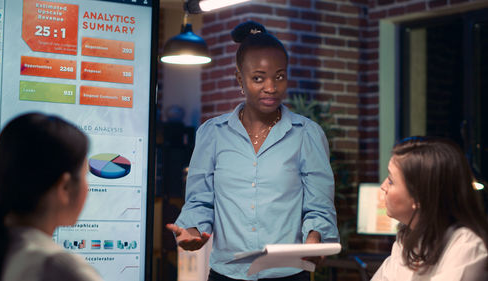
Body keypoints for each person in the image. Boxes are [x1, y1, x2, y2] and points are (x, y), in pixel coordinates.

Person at [166, 21, 339, 280]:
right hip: (226, 274)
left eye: (279, 76)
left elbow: (319, 207)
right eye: (258, 78)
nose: (271, 87)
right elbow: (200, 200)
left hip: (287, 274)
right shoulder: (212, 133)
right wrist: (191, 229)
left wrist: (315, 238)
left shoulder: (307, 134)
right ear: (240, 79)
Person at [0, 113, 103, 281]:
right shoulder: (58, 266)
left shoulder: (0, 249)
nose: (88, 187)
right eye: (85, 175)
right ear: (64, 187)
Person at [372, 136, 488, 281]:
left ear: (420, 196)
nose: (383, 186)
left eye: (391, 180)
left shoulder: (467, 246)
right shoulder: (407, 239)